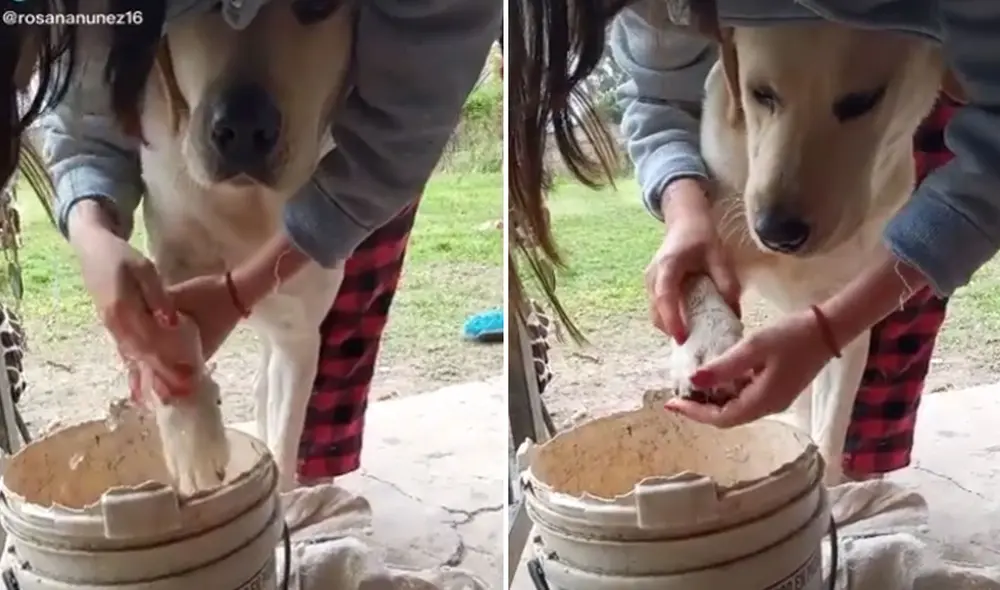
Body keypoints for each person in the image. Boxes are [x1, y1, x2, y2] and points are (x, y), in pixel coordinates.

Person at [510, 0, 1000, 476]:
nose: (784, 197)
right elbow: (660, 94)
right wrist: (686, 214)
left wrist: (836, 325)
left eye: (858, 102)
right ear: (729, 58)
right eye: (764, 95)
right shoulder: (692, 42)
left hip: (919, 124)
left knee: (870, 409)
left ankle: (842, 475)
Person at [39, 0, 501, 481]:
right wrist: (92, 233)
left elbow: (403, 124)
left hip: (340, 164)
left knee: (314, 339)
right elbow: (84, 109)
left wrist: (250, 284)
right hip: (176, 167)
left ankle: (296, 488)